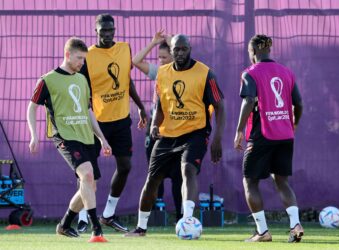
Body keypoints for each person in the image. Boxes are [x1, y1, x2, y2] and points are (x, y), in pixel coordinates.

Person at [125, 34, 226, 236]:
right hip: (168, 135)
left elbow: (220, 106)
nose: (180, 52)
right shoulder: (163, 73)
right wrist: (154, 124)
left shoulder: (205, 73)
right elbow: (160, 105)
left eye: (184, 49)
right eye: (176, 49)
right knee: (152, 179)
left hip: (195, 132)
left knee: (188, 170)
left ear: (190, 49)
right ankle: (141, 227)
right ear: (171, 51)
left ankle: (187, 219)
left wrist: (217, 138)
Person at [27, 37, 111, 243]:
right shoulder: (47, 80)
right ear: (67, 54)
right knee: (87, 176)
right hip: (64, 136)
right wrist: (34, 135)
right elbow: (31, 107)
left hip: (86, 137)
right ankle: (96, 229)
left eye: (84, 59)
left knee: (90, 186)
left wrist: (102, 138)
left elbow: (88, 111)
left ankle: (64, 224)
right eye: (79, 58)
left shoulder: (82, 79)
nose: (82, 63)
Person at [77, 13, 147, 233]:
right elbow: (82, 88)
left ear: (114, 31)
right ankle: (81, 217)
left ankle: (108, 213)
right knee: (88, 172)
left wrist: (141, 107)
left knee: (125, 166)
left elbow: (127, 80)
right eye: (103, 30)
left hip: (121, 120)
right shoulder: (87, 56)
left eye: (110, 30)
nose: (107, 34)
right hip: (97, 123)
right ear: (95, 31)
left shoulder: (124, 49)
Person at [233, 34, 304, 243]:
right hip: (285, 135)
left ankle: (262, 232)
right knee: (282, 181)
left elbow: (248, 101)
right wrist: (294, 124)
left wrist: (238, 130)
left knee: (250, 182)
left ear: (253, 52)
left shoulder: (250, 73)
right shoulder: (286, 72)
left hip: (261, 135)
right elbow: (298, 104)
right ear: (268, 50)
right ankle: (295, 224)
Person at [132, 30, 183, 222]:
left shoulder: (183, 72)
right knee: (155, 177)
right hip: (155, 132)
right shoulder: (159, 72)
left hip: (177, 132)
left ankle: (181, 217)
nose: (160, 60)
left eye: (164, 57)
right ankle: (153, 217)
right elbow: (136, 61)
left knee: (179, 178)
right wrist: (154, 42)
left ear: (173, 55)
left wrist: (172, 42)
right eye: (158, 57)